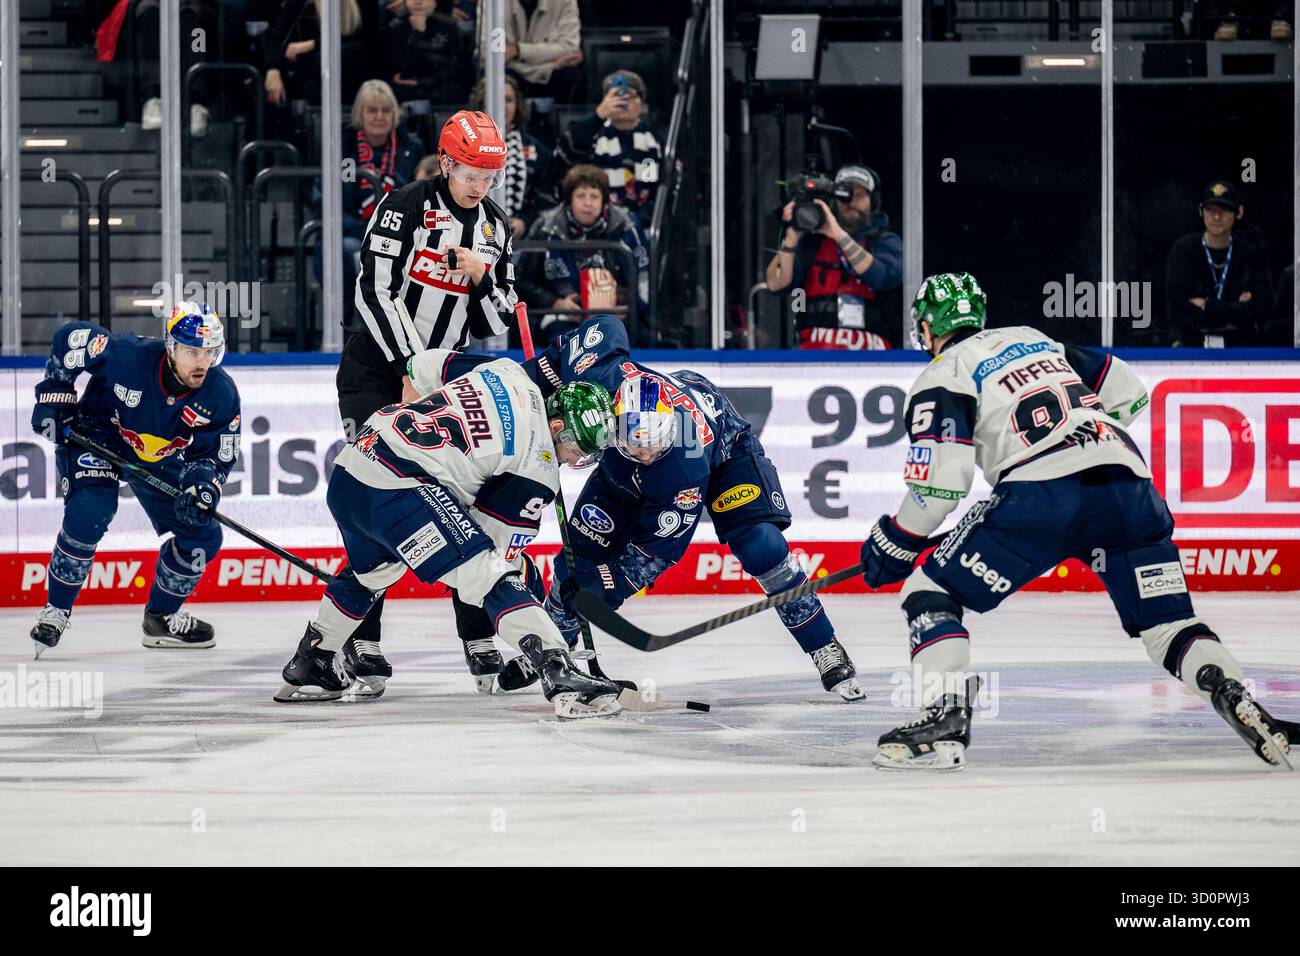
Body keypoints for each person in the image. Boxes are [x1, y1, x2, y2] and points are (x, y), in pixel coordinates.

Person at [859, 272, 1297, 770]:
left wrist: (894, 540)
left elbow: (941, 487)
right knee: (1168, 624)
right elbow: (1130, 393)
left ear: (927, 324)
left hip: (1042, 499)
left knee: (929, 592)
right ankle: (1234, 695)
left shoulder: (944, 372)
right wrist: (1079, 437)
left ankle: (944, 715)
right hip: (1130, 490)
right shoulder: (1034, 341)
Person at [527, 316, 864, 701]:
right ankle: (552, 650)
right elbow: (607, 326)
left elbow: (655, 551)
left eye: (653, 446)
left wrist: (608, 586)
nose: (645, 454)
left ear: (667, 432)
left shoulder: (681, 464)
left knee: (761, 546)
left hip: (724, 455)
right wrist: (542, 371)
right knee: (576, 557)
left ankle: (823, 644)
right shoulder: (604, 383)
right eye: (635, 445)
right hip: (623, 468)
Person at [274, 359, 624, 720]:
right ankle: (557, 669)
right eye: (578, 449)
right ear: (556, 426)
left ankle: (313, 659)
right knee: (490, 575)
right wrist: (522, 571)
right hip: (400, 485)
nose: (576, 459)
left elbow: (421, 367)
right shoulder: (540, 467)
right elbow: (491, 551)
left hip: (356, 462)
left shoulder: (508, 371)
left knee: (372, 574)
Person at [336, 109, 517, 696]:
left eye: (489, 177)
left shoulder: (495, 228)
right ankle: (362, 643)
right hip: (376, 372)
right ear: (446, 162)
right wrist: (412, 367)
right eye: (471, 174)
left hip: (443, 383)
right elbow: (373, 291)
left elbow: (498, 319)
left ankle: (479, 636)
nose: (479, 186)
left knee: (459, 503)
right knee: (376, 497)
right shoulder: (403, 206)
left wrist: (482, 278)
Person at [28, 303, 241, 657]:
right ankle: (56, 609)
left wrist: (201, 486)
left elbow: (215, 454)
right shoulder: (128, 356)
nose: (201, 361)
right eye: (191, 351)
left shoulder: (221, 394)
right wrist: (55, 394)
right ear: (171, 347)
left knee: (203, 534)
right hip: (98, 435)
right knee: (89, 511)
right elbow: (71, 339)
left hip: (155, 457)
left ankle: (161, 617)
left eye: (209, 351)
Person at [766, 164, 904, 350]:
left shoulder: (885, 241)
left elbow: (883, 276)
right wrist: (791, 239)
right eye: (844, 194)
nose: (851, 201)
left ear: (873, 200)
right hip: (815, 356)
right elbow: (775, 284)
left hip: (873, 359)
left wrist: (838, 234)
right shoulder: (812, 242)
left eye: (860, 195)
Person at [517, 164, 649, 343]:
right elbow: (521, 281)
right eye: (580, 196)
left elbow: (645, 279)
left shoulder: (628, 226)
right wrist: (555, 303)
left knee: (637, 338)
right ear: (569, 199)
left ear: (605, 199)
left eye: (594, 196)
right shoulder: (545, 227)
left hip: (620, 319)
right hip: (562, 319)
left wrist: (626, 304)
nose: (588, 203)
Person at [319, 80, 424, 304]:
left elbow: (421, 195)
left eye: (386, 110)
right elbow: (325, 202)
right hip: (353, 232)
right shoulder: (341, 148)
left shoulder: (412, 147)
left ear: (395, 114)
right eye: (372, 110)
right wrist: (365, 230)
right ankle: (347, 320)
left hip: (402, 233)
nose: (379, 116)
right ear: (360, 113)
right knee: (337, 248)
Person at [1164, 179, 1275, 347]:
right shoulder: (1184, 251)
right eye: (1210, 210)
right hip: (1192, 350)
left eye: (1224, 210)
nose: (1216, 217)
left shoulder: (1250, 255)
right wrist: (1234, 311)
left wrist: (1206, 305)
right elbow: (1177, 311)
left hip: (1242, 352)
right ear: (1200, 211)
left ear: (1239, 212)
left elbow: (1259, 311)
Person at [554, 70, 662, 214]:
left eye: (630, 96)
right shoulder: (592, 133)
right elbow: (566, 153)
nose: (623, 102)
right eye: (616, 97)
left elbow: (654, 187)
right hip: (596, 214)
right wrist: (598, 116)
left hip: (644, 218)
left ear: (642, 105)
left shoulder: (654, 142)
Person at [469, 75, 554, 239]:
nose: (502, 106)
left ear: (517, 106)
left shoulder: (537, 150)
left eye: (508, 100)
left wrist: (525, 222)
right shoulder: (463, 144)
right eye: (495, 99)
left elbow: (545, 195)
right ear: (481, 104)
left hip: (523, 241)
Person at [478, 0, 584, 103]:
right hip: (511, 74)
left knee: (571, 75)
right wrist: (549, 67)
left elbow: (569, 48)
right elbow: (490, 55)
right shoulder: (492, 3)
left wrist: (518, 50)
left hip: (549, 77)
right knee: (494, 75)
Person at [385, 0, 474, 106]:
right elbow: (401, 68)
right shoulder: (396, 27)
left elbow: (456, 68)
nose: (418, 2)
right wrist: (418, 34)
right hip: (407, 94)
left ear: (436, 2)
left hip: (442, 93)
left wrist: (422, 82)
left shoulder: (450, 28)